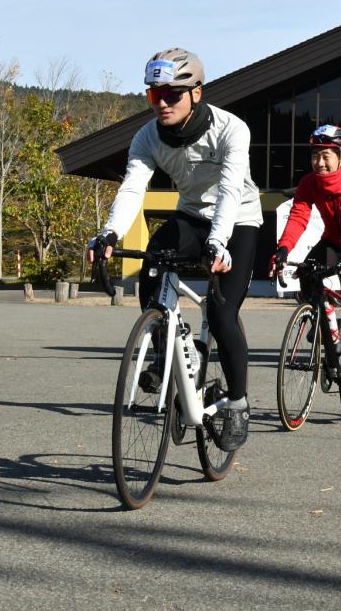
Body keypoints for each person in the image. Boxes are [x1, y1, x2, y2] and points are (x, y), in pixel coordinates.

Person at [88, 47, 262, 451]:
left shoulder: (231, 128)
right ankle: (166, 349)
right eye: (154, 95)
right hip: (190, 217)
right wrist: (110, 232)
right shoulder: (146, 136)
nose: (161, 103)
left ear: (196, 93)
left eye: (171, 94)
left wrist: (218, 242)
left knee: (221, 313)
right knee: (152, 260)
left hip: (237, 221)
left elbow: (231, 191)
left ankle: (237, 404)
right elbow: (133, 188)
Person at [269, 125, 341, 410]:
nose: (319, 163)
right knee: (307, 273)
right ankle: (321, 321)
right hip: (333, 241)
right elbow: (299, 215)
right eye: (315, 156)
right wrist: (283, 249)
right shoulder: (310, 182)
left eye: (326, 156)